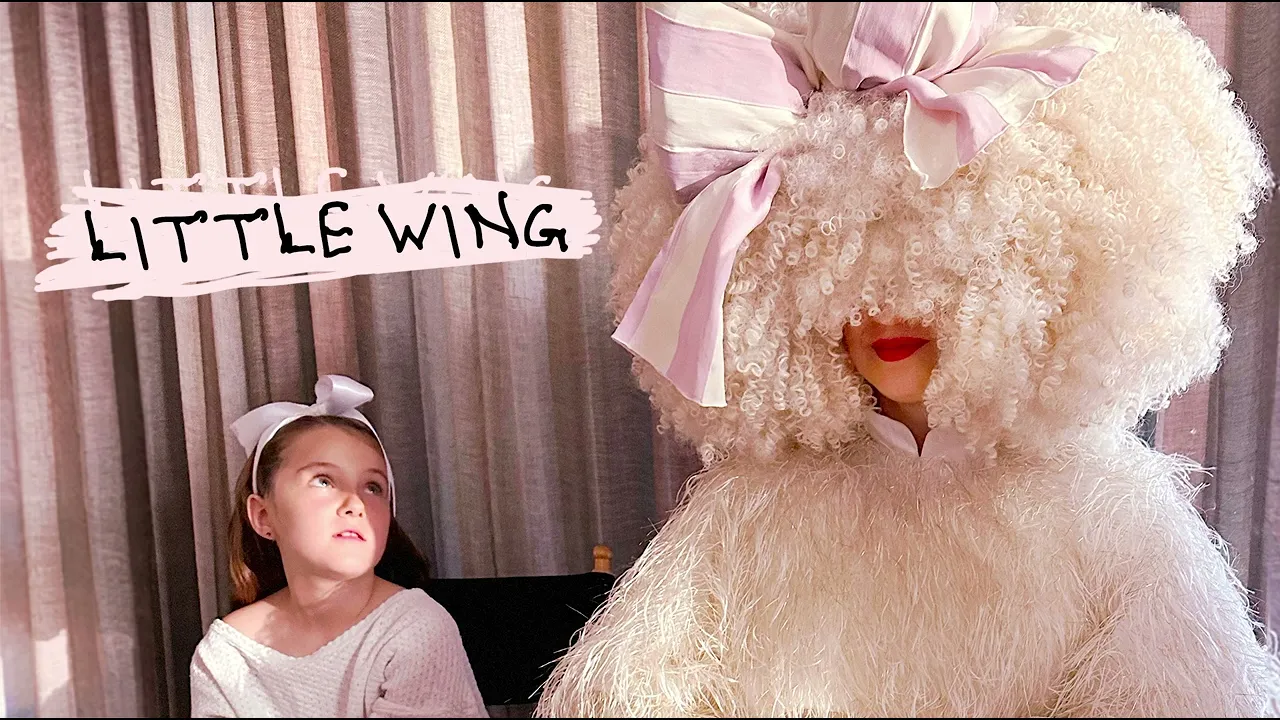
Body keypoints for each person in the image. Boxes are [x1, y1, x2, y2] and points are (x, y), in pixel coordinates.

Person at [537, 1, 1280, 716]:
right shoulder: (755, 509)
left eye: (933, 275)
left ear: (1023, 275)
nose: (884, 312)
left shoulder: (1103, 512)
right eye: (841, 271)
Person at [189, 376, 487, 718]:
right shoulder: (226, 654)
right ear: (263, 515)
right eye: (324, 481)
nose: (355, 503)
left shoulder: (418, 629)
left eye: (373, 487)